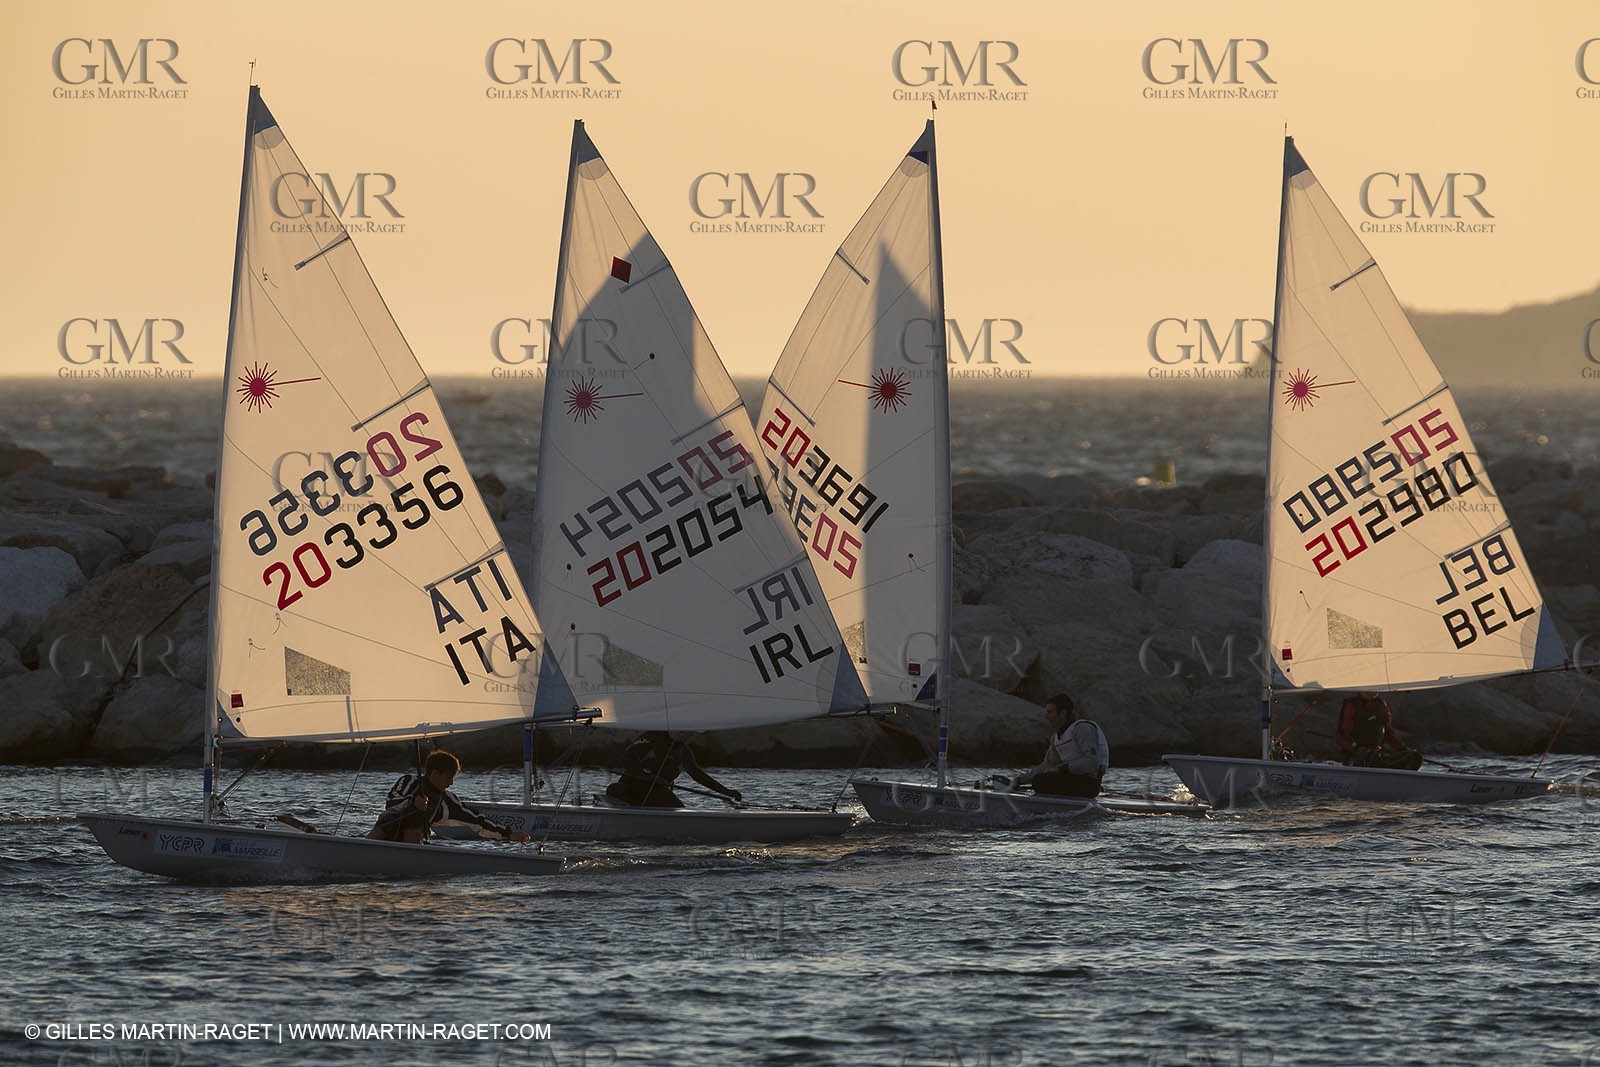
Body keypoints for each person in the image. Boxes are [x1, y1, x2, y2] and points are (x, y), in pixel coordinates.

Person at [368, 750, 532, 844]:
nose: (451, 783)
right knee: (402, 816)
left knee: (417, 820)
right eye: (449, 778)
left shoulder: (448, 801)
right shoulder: (409, 782)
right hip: (385, 834)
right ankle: (367, 848)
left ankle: (411, 855)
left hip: (414, 843)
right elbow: (392, 803)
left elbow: (477, 820)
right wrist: (412, 803)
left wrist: (510, 834)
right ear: (434, 774)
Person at [604, 731, 743, 808]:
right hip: (632, 788)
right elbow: (628, 759)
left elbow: (697, 775)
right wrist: (648, 778)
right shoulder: (651, 738)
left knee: (677, 807)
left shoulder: (683, 751)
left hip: (658, 792)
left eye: (692, 733)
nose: (690, 736)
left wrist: (726, 792)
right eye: (687, 732)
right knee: (614, 789)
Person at [1014, 693, 1109, 798]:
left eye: (1050, 712)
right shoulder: (1056, 738)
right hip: (1071, 780)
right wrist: (1018, 780)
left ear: (1063, 713)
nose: (1046, 716)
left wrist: (1061, 769)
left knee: (1040, 781)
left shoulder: (1082, 729)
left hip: (1089, 784)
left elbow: (1091, 763)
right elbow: (1046, 765)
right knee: (1040, 778)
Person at [1335, 691, 1423, 770]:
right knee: (1368, 757)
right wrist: (1357, 749)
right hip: (1356, 756)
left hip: (1376, 754)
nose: (1377, 691)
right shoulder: (1351, 705)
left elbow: (1388, 731)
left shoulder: (1380, 705)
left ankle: (1403, 780)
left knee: (1414, 757)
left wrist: (1402, 748)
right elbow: (1341, 735)